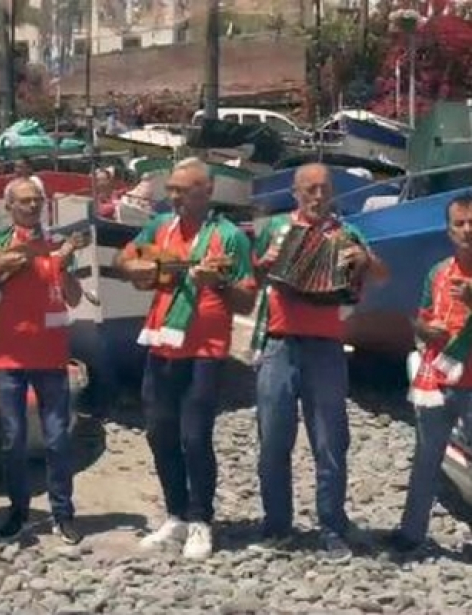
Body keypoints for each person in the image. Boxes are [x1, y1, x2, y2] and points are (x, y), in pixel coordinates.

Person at [114, 158, 256, 560]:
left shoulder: (228, 237)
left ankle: (200, 519)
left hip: (205, 352)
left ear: (206, 191)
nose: (173, 197)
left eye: (183, 190)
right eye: (171, 189)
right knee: (160, 433)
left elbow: (247, 299)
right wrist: (142, 268)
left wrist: (221, 282)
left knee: (195, 437)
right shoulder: (161, 228)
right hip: (161, 345)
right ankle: (175, 514)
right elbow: (120, 262)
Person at [251, 162, 388, 559]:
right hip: (279, 344)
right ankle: (277, 525)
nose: (316, 196)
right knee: (273, 439)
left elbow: (380, 274)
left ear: (332, 194)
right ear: (295, 193)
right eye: (309, 189)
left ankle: (332, 526)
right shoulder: (275, 230)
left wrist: (362, 257)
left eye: (323, 189)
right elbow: (252, 279)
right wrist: (266, 264)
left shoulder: (346, 233)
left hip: (326, 347)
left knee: (330, 441)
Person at [0, 177, 85, 545]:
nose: (32, 207)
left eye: (37, 201)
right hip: (10, 356)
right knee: (12, 438)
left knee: (57, 439)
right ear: (10, 207)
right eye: (24, 202)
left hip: (52, 355)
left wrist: (63, 266)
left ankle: (63, 512)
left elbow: (75, 298)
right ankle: (17, 509)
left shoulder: (57, 245)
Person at [389, 195, 472, 553]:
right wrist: (427, 331)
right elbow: (418, 319)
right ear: (449, 230)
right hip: (438, 383)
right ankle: (411, 532)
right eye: (459, 224)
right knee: (426, 459)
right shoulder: (438, 273)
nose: (467, 230)